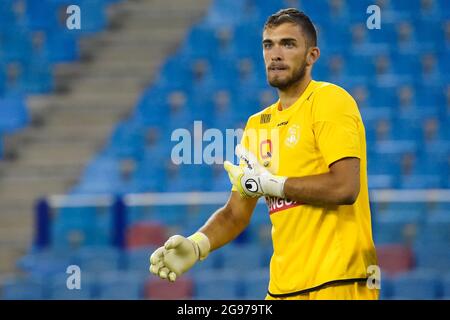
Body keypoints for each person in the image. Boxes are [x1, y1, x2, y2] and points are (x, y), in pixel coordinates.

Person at [149, 8, 379, 300]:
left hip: (339, 281)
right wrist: (197, 245)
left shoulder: (329, 101)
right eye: (268, 45)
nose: (276, 54)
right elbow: (235, 212)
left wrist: (274, 185)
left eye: (288, 44)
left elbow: (345, 187)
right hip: (282, 289)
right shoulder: (257, 126)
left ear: (312, 56)